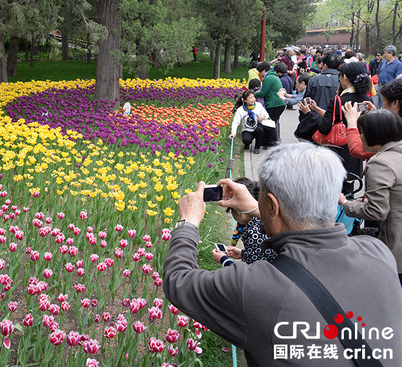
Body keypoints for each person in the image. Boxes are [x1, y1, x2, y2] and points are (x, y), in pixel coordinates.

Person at [164, 143, 402, 367]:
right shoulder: (378, 253)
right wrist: (256, 208)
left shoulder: (256, 286)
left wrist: (188, 222)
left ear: (272, 205)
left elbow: (178, 280)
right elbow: (296, 226)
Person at [339, 110, 402, 285]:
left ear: (372, 134)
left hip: (397, 244)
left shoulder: (380, 163)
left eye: (361, 132)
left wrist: (345, 203)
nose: (360, 136)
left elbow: (377, 212)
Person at [301, 62, 371, 193]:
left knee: (332, 192)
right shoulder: (367, 101)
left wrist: (310, 114)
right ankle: (345, 213)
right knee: (348, 191)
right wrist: (318, 109)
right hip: (355, 152)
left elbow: (324, 127)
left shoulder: (339, 100)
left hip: (337, 153)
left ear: (344, 77)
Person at [212, 178, 277, 264]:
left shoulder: (252, 234)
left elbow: (246, 274)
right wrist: (243, 253)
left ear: (240, 211)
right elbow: (262, 255)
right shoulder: (262, 221)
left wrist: (223, 259)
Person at [343, 76, 402, 160]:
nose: (383, 104)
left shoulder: (395, 131)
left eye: (384, 100)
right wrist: (377, 114)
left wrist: (352, 122)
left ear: (395, 103)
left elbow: (357, 149)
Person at [254, 62, 286, 146]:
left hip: (274, 104)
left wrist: (252, 94)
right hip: (279, 103)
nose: (259, 74)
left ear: (264, 71)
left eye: (260, 72)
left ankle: (272, 142)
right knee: (274, 121)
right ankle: (273, 140)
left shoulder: (268, 78)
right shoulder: (273, 76)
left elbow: (263, 93)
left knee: (270, 123)